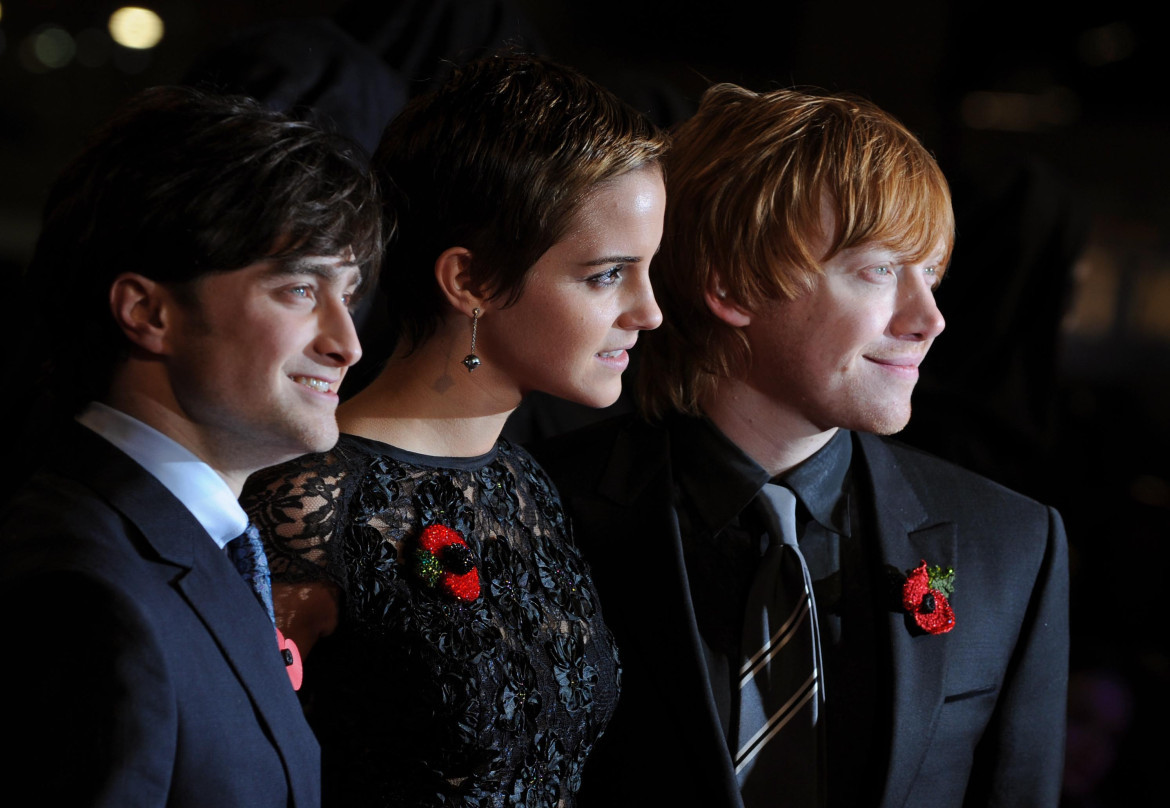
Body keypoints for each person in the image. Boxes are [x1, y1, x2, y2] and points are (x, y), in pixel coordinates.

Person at [535, 85, 1069, 808]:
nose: (929, 318)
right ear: (732, 284)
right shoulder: (543, 512)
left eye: (931, 273)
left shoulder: (1009, 543)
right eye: (880, 269)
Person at [241, 54, 666, 807]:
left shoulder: (524, 481)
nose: (648, 310)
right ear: (467, 280)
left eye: (648, 270)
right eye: (607, 275)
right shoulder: (310, 500)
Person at [0, 86, 382, 806]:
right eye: (301, 290)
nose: (347, 343)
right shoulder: (82, 594)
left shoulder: (197, 545)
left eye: (350, 294)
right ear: (148, 311)